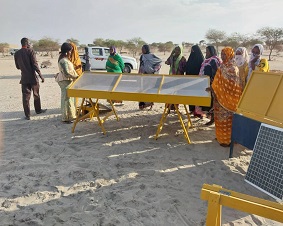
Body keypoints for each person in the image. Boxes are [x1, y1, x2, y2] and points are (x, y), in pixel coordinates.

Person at [211, 47, 242, 147]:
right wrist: (213, 88)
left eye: (224, 54)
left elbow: (233, 86)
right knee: (219, 119)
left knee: (228, 120)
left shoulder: (233, 68)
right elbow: (217, 81)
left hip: (230, 100)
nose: (222, 56)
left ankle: (228, 140)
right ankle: (220, 138)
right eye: (222, 54)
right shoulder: (222, 66)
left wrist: (217, 88)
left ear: (230, 55)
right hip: (219, 98)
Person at [14, 37, 47, 120]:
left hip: (24, 78)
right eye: (29, 43)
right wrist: (41, 75)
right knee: (36, 94)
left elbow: (17, 67)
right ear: (27, 43)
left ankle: (27, 115)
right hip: (33, 77)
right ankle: (38, 110)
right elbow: (35, 64)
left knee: (25, 97)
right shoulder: (30, 51)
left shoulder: (16, 53)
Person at [197, 45, 221, 124]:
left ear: (211, 51)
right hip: (205, 84)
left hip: (211, 85)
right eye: (206, 51)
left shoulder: (214, 60)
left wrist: (212, 85)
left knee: (212, 102)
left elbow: (216, 73)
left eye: (208, 51)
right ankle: (210, 117)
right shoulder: (206, 60)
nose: (206, 52)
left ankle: (213, 119)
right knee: (207, 102)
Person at [57, 43, 79, 123]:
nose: (71, 53)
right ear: (67, 51)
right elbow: (66, 73)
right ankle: (68, 117)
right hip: (66, 81)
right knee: (67, 99)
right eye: (70, 51)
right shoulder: (64, 61)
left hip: (67, 81)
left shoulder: (64, 59)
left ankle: (67, 116)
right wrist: (75, 77)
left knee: (67, 98)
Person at [138, 44, 162, 110]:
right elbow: (141, 65)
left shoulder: (152, 56)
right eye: (142, 49)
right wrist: (139, 73)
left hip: (151, 76)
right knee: (142, 89)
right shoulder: (142, 56)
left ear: (147, 49)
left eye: (143, 49)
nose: (142, 50)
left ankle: (150, 103)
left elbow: (159, 63)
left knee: (150, 89)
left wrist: (154, 70)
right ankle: (142, 104)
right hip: (143, 76)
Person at [165, 45, 186, 111]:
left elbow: (185, 68)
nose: (177, 51)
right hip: (171, 77)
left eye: (178, 50)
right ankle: (168, 107)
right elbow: (167, 62)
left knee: (177, 92)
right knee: (170, 92)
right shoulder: (172, 57)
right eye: (176, 50)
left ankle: (176, 107)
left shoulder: (182, 58)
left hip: (179, 78)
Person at [185, 45, 204, 113]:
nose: (192, 52)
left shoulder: (201, 59)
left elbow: (201, 69)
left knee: (197, 96)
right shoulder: (190, 58)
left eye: (193, 50)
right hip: (189, 80)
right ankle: (192, 110)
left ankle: (198, 112)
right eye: (191, 50)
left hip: (197, 80)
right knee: (190, 95)